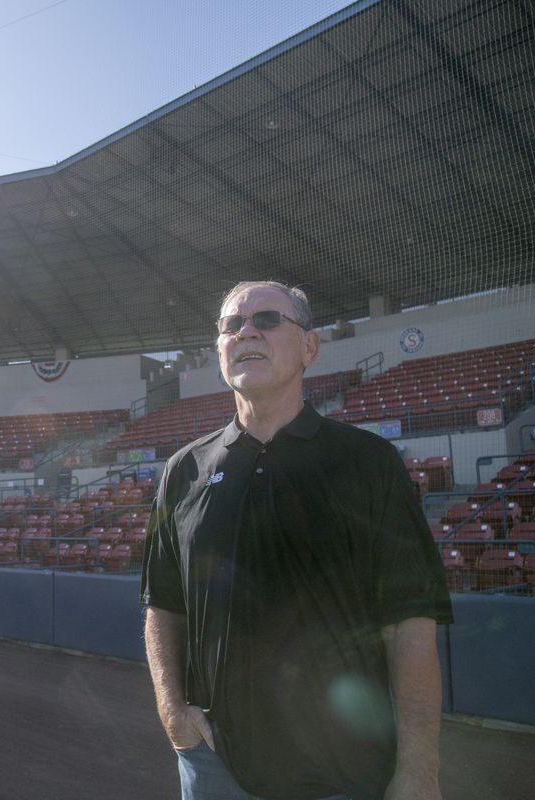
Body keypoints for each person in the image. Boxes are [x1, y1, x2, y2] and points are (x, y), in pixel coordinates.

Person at [142, 281, 452, 800]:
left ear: (309, 347)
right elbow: (162, 607)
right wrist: (174, 715)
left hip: (345, 772)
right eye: (230, 325)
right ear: (220, 348)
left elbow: (410, 626)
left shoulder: (368, 463)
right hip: (216, 766)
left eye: (266, 320)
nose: (245, 332)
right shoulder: (183, 471)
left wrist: (420, 769)